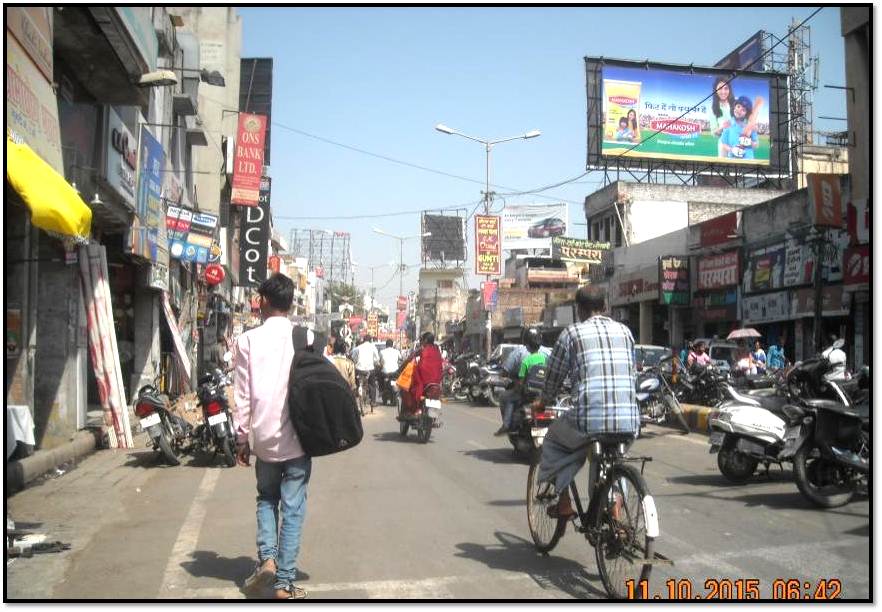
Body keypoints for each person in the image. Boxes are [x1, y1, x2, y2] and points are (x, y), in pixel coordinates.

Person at [532, 288, 639, 519]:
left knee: (552, 440)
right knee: (613, 460)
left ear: (579, 310)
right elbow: (632, 374)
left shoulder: (571, 334)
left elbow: (553, 378)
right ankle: (615, 513)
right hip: (628, 420)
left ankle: (563, 502)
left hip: (589, 419)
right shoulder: (625, 332)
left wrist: (543, 403)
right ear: (605, 307)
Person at [234, 274, 310, 600]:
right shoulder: (304, 337)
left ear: (264, 300)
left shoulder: (248, 340)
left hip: (263, 437)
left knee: (266, 498)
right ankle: (284, 584)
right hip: (300, 437)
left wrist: (241, 438)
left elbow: (242, 396)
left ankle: (268, 559)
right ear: (290, 302)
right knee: (293, 508)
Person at [495, 329, 544, 436]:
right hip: (543, 394)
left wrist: (516, 384)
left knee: (506, 398)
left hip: (527, 394)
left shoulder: (524, 358)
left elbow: (520, 381)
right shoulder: (546, 356)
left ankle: (507, 426)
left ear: (527, 344)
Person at [408, 332, 443, 413]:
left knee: (412, 388)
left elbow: (410, 358)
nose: (421, 342)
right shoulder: (437, 349)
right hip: (437, 380)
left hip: (425, 379)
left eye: (422, 340)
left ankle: (416, 409)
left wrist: (400, 369)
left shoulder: (422, 349)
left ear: (426, 340)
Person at [352, 335, 381, 405]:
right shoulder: (373, 347)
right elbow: (377, 359)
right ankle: (373, 401)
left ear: (363, 340)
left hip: (359, 369)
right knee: (372, 384)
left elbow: (354, 358)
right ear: (371, 340)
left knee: (357, 382)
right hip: (370, 370)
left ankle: (357, 392)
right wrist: (375, 363)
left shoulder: (358, 348)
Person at [709, 78, 735, 157]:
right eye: (720, 88)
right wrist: (722, 128)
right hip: (723, 144)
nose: (723, 92)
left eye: (726, 88)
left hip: (738, 142)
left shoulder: (736, 103)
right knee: (724, 167)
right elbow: (713, 133)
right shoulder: (713, 108)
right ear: (715, 90)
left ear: (729, 90)